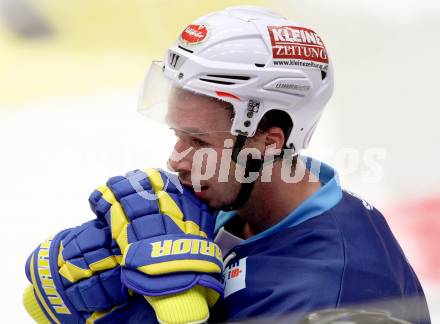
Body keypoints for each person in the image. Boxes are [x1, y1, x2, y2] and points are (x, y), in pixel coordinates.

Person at [23, 6, 430, 324]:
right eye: (177, 134)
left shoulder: (335, 292)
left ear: (269, 142)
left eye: (198, 141)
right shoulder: (231, 204)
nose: (175, 160)